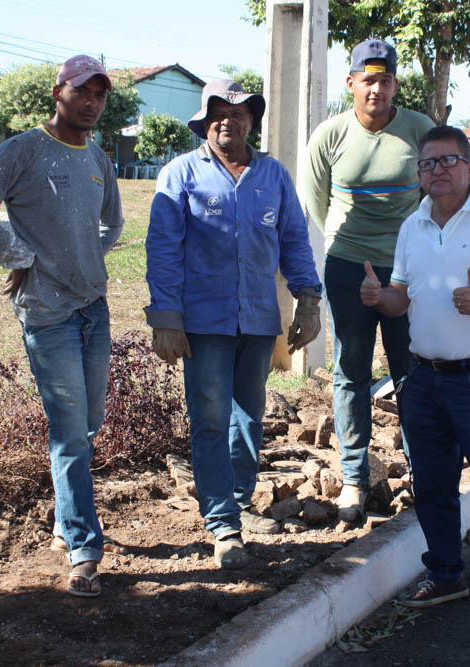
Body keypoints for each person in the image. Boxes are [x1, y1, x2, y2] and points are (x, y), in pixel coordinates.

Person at [0, 55, 121, 598]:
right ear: (57, 91)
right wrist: (18, 254)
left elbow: (113, 221)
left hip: (94, 307)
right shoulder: (24, 149)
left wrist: (89, 254)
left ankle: (64, 521)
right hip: (48, 313)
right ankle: (85, 550)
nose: (90, 102)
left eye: (99, 94)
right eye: (81, 91)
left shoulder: (98, 157)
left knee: (88, 422)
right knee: (70, 431)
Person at [360, 125, 470, 621]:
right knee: (433, 486)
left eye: (447, 161)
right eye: (427, 164)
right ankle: (445, 575)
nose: (436, 171)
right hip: (423, 379)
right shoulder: (411, 226)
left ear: (469, 168)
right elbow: (401, 299)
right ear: (419, 175)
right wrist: (381, 299)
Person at [145, 80, 322, 569]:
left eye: (240, 111)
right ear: (204, 121)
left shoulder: (273, 176)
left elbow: (295, 240)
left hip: (260, 318)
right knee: (209, 418)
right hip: (203, 322)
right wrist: (166, 316)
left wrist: (308, 299)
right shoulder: (181, 174)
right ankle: (223, 525)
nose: (229, 119)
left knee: (249, 415)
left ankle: (239, 499)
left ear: (252, 120)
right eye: (218, 111)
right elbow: (162, 250)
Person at [301, 39, 435, 522]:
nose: (376, 88)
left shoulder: (420, 131)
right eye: (368, 79)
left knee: (411, 370)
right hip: (347, 268)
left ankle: (425, 475)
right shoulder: (331, 135)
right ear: (351, 82)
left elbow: (440, 193)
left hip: (408, 271)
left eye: (385, 79)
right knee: (351, 371)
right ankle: (354, 481)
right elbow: (315, 200)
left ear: (395, 83)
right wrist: (348, 244)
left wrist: (413, 252)